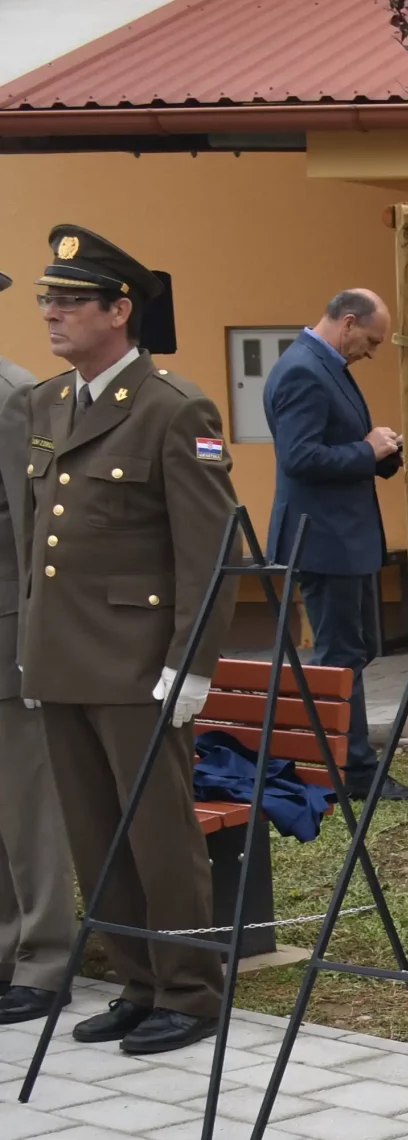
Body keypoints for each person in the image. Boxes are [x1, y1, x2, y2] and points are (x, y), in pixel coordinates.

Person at [17, 225, 242, 1057]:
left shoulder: (173, 409)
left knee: (158, 837)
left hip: (139, 665)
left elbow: (211, 553)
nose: (52, 313)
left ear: (120, 311)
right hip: (64, 659)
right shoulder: (48, 403)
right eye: (47, 299)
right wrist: (33, 645)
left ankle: (190, 989)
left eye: (70, 301)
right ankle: (138, 982)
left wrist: (191, 666)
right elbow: (40, 541)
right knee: (96, 837)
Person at [265, 288, 408, 800]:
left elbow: (333, 448)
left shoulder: (326, 366)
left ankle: (342, 760)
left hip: (345, 539)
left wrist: (382, 454)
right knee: (340, 656)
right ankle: (351, 772)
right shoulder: (303, 371)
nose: (371, 352)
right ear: (348, 322)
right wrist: (366, 450)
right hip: (323, 540)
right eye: (371, 341)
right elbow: (299, 457)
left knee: (358, 648)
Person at [0, 262, 80, 1026]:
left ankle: (47, 958)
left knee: (28, 809)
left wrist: (35, 639)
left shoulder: (12, 396)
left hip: (6, 633)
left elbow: (32, 529)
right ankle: (6, 948)